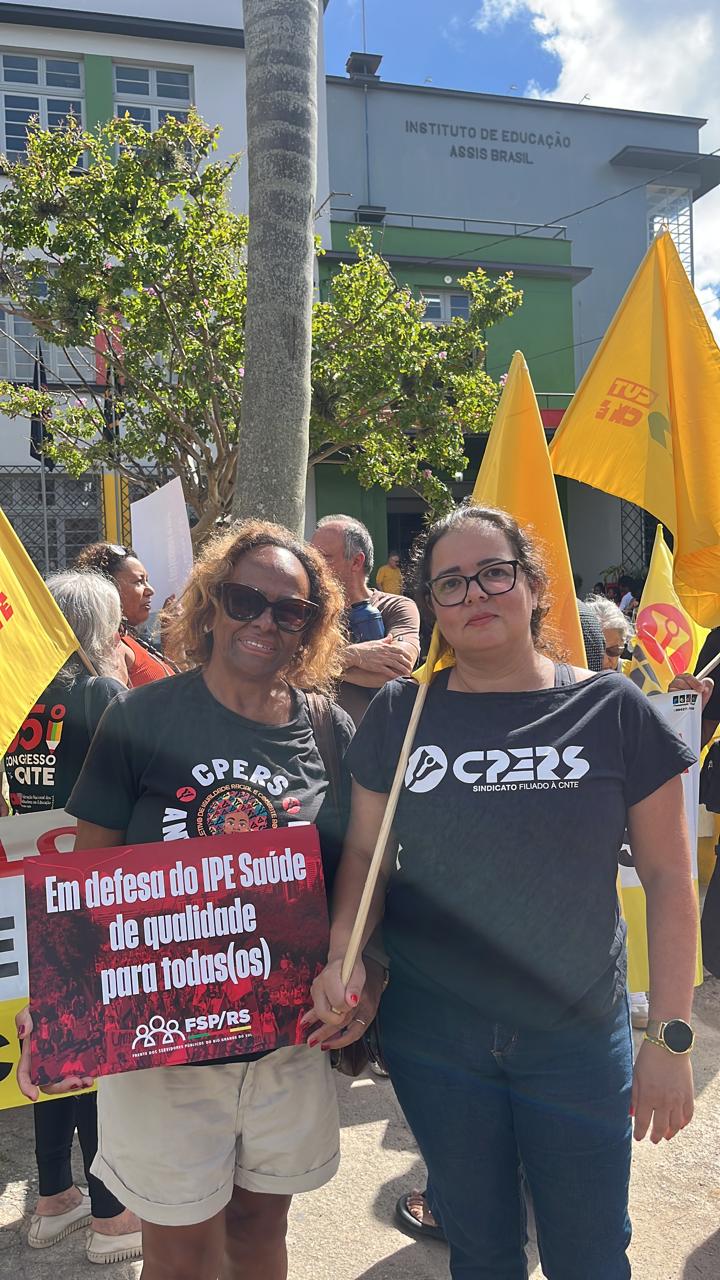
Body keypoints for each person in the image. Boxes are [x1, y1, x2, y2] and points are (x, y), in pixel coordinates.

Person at [308, 504, 699, 1280]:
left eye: (494, 572)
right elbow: (365, 854)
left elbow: (667, 876)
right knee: (480, 1250)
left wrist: (671, 1037)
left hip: (577, 1039)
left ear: (531, 584)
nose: (475, 594)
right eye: (450, 584)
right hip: (437, 1041)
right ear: (433, 606)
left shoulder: (610, 708)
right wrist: (342, 954)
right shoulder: (401, 712)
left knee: (589, 1254)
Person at [18, 520, 385, 1280]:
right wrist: (59, 999)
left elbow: (362, 866)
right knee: (179, 1250)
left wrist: (361, 971)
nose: (265, 622)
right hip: (164, 1047)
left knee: (258, 1233)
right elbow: (93, 883)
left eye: (291, 611)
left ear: (313, 628)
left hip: (286, 1042)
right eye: (246, 599)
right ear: (212, 603)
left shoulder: (327, 728)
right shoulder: (140, 718)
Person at [4, 572, 141, 1264]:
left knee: (43, 1034)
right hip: (85, 892)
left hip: (16, 895)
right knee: (94, 1046)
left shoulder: (10, 695)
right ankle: (112, 1217)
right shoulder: (101, 695)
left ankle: (54, 1197)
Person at [311, 515, 420, 726]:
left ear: (356, 561)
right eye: (311, 557)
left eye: (324, 557)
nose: (313, 566)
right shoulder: (307, 610)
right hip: (317, 742)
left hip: (380, 743)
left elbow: (398, 668)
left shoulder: (396, 606)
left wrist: (319, 667)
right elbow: (289, 669)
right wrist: (356, 656)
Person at [73, 542, 176, 686]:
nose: (150, 590)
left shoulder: (126, 638)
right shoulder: (108, 644)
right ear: (108, 589)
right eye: (139, 582)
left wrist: (171, 636)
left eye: (147, 580)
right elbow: (116, 703)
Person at [584, 595, 633, 671]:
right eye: (595, 652)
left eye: (613, 651)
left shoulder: (636, 676)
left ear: (623, 643)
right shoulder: (568, 675)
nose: (605, 661)